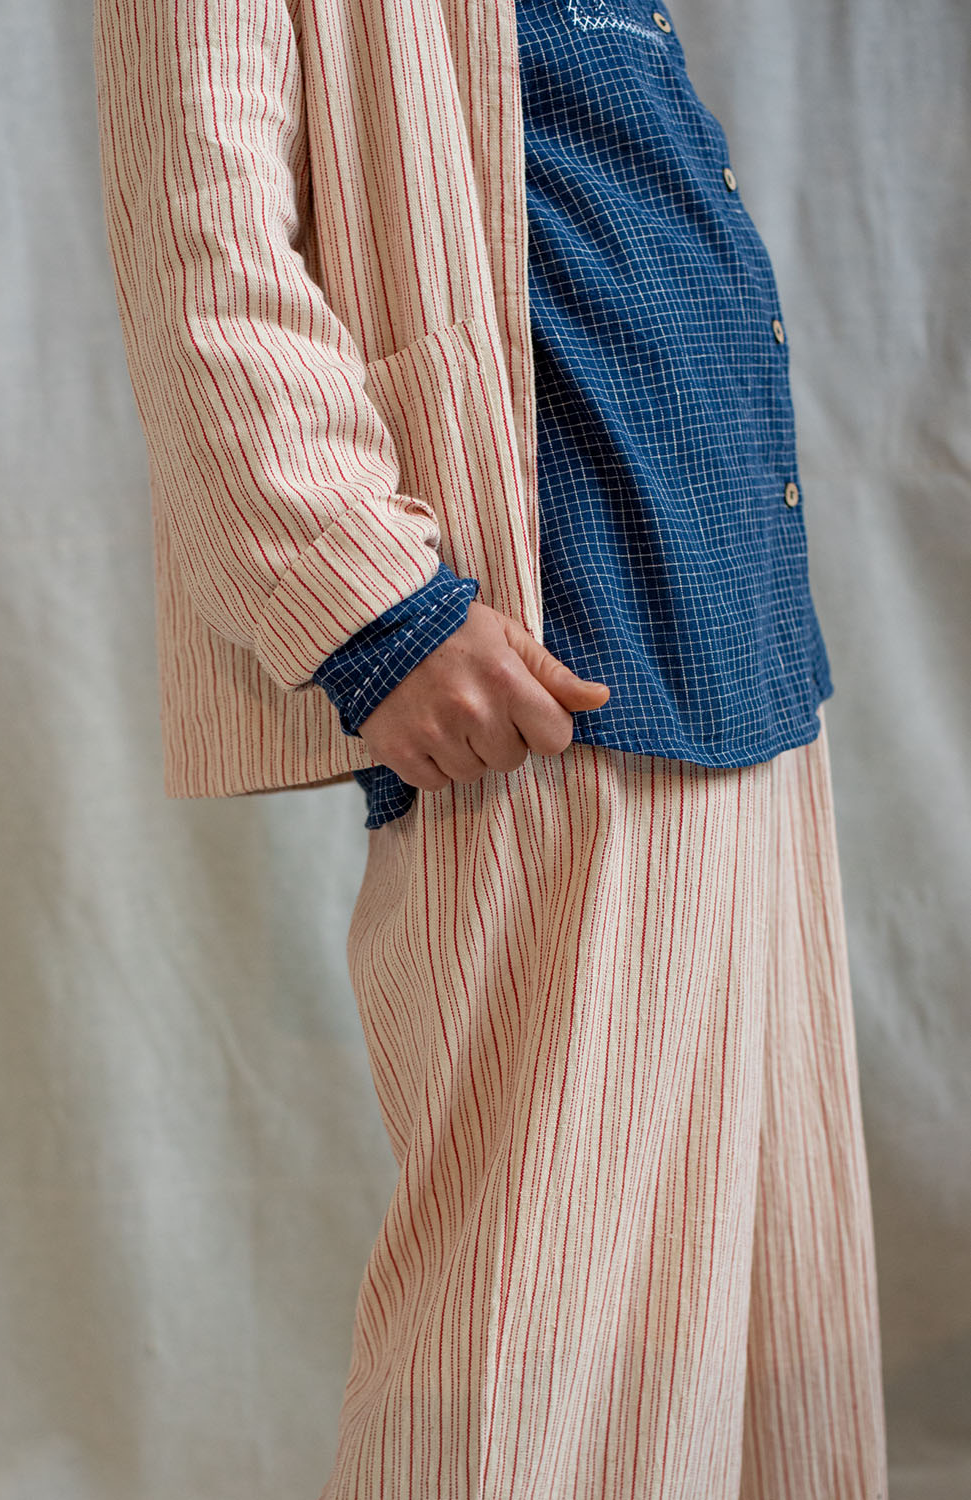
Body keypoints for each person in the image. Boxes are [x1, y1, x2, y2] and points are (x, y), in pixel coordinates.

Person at [92, 0, 890, 1495]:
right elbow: (201, 246)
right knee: (539, 1323)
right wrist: (371, 612)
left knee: (757, 1319)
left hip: (740, 637)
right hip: (539, 658)